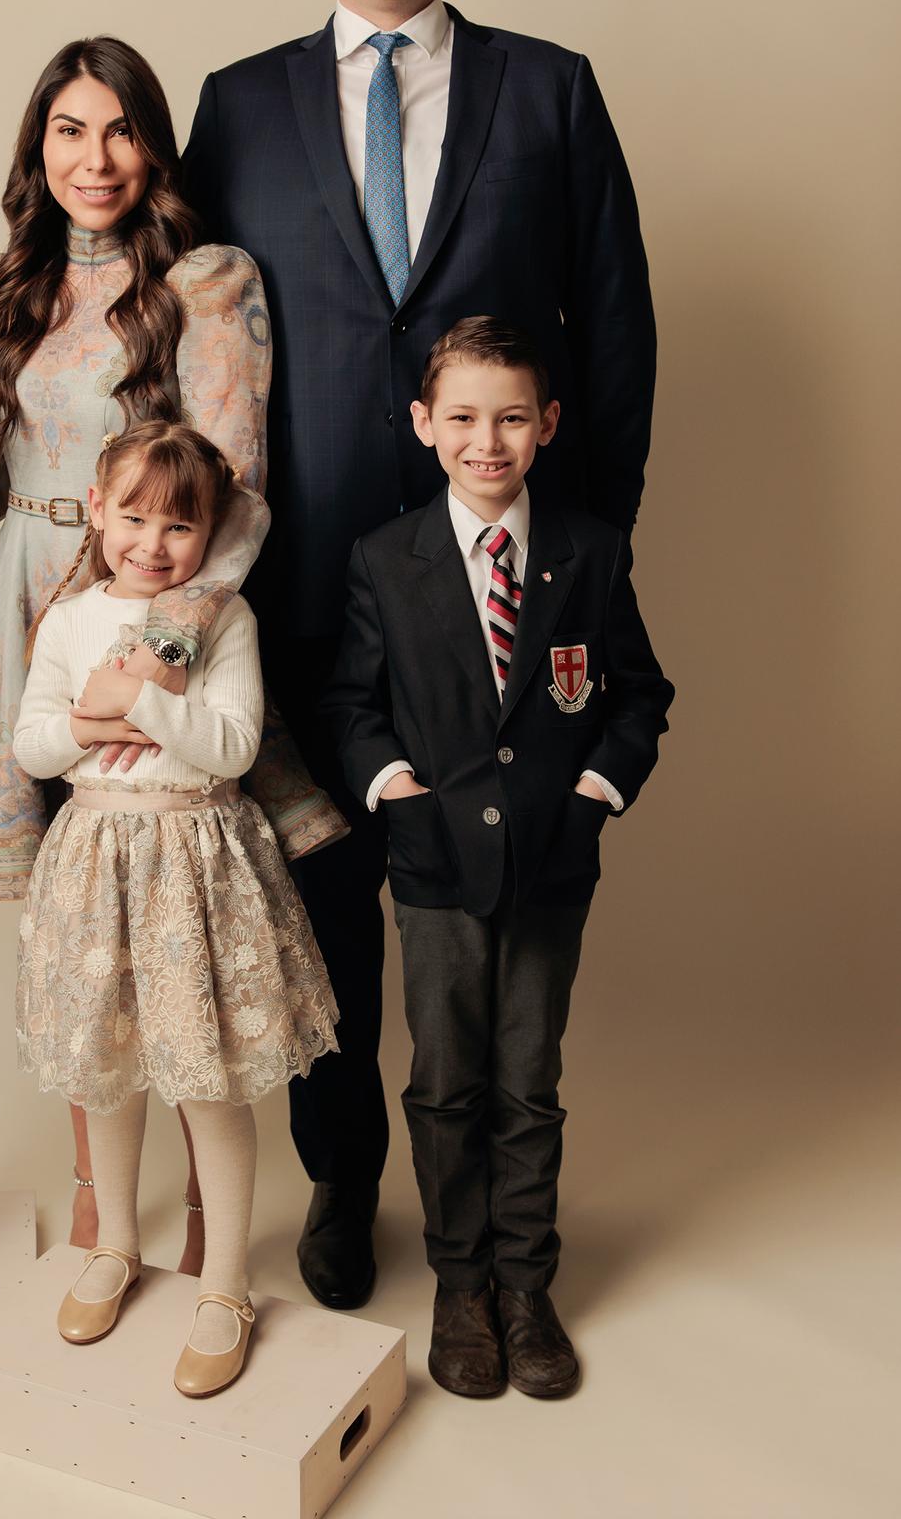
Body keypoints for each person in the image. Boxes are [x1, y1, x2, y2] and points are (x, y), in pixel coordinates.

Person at [183, 0, 657, 1309]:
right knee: (326, 902)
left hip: (501, 581)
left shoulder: (549, 90)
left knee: (483, 901)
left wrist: (589, 546)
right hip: (305, 578)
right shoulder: (237, 105)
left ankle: (489, 1227)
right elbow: (186, 337)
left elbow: (617, 323)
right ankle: (340, 1181)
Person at [0, 34, 344, 1270]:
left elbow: (236, 481)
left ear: (155, 147)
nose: (95, 157)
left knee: (171, 915)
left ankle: (205, 1216)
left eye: (120, 129)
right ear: (38, 148)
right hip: (30, 603)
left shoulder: (206, 282)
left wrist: (165, 646)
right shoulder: (13, 283)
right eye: (68, 130)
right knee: (81, 925)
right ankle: (97, 1196)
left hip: (143, 599)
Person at [324, 317, 673, 1397]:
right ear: (424, 424)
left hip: (551, 864)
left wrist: (592, 794)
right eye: (464, 418)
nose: (488, 440)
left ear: (547, 424)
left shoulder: (589, 549)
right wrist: (398, 793)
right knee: (444, 1082)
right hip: (434, 868)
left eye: (512, 417)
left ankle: (525, 1285)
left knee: (528, 1080)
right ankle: (458, 1282)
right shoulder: (384, 559)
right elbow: (351, 706)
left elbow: (637, 694)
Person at [14, 422, 338, 1396]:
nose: (152, 544)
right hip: (94, 865)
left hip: (195, 864)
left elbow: (230, 745)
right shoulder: (68, 619)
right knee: (107, 1068)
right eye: (134, 518)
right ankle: (114, 1243)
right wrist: (93, 719)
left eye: (179, 527)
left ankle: (225, 1284)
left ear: (209, 532)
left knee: (207, 1077)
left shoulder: (222, 619)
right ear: (97, 510)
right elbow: (34, 746)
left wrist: (145, 697)